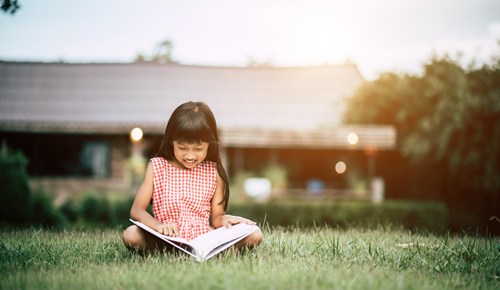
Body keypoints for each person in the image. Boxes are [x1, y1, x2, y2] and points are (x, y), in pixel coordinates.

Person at [122, 101, 263, 253]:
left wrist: (225, 219)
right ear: (172, 142)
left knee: (255, 234)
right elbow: (137, 210)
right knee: (131, 234)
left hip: (202, 239)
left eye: (198, 149)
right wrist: (158, 226)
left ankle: (204, 253)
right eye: (182, 148)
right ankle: (173, 251)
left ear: (210, 144)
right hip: (166, 238)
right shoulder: (157, 167)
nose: (190, 155)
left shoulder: (213, 171)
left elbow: (216, 219)